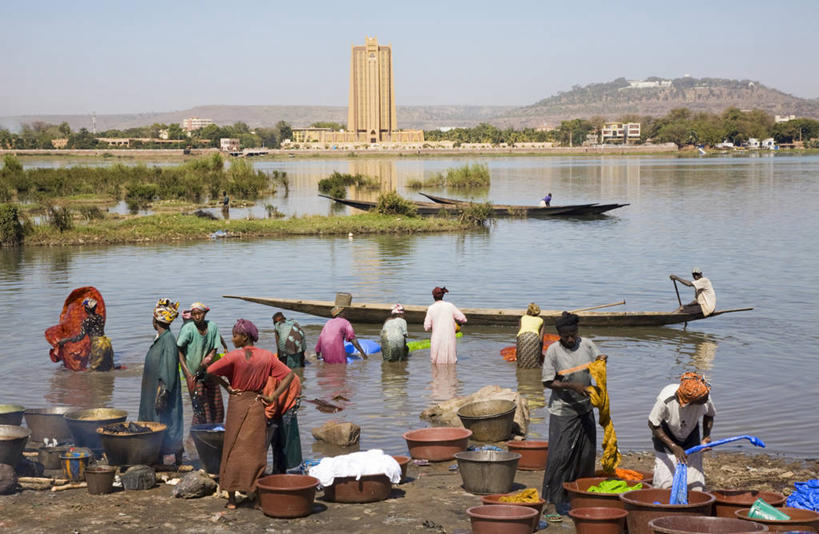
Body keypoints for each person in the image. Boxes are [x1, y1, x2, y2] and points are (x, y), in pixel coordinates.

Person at [205, 319, 295, 509]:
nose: (232, 338)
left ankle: (231, 499)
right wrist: (272, 397)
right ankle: (254, 496)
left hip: (237, 404)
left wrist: (227, 387)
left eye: (235, 335)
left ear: (244, 337)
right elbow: (289, 376)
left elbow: (210, 370)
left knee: (232, 449)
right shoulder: (267, 356)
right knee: (255, 452)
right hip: (257, 404)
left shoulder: (234, 356)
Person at [541, 311, 607, 514]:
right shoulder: (553, 351)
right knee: (560, 456)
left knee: (585, 454)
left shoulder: (586, 344)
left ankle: (579, 496)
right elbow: (547, 381)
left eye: (573, 334)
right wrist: (571, 386)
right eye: (566, 336)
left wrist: (603, 360)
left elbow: (597, 360)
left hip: (585, 408)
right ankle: (552, 499)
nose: (570, 339)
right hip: (563, 411)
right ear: (559, 334)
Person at [648, 372, 715, 491]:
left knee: (695, 483)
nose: (705, 401)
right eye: (701, 401)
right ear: (689, 402)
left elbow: (709, 415)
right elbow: (653, 424)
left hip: (690, 434)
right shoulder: (666, 399)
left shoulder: (703, 395)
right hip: (666, 435)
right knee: (664, 484)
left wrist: (706, 436)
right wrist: (673, 446)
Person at [138, 298, 184, 465]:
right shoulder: (161, 339)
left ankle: (170, 457)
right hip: (153, 391)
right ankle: (155, 455)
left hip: (161, 393)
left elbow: (169, 368)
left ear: (155, 320)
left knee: (166, 423)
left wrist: (163, 393)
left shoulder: (168, 340)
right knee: (154, 422)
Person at [177, 302, 228, 425]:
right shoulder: (188, 329)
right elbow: (179, 349)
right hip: (194, 375)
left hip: (209, 372)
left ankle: (214, 433)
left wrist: (210, 356)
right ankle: (194, 439)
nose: (197, 317)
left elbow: (216, 345)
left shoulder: (212, 327)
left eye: (199, 313)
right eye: (194, 314)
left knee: (217, 407)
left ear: (205, 313)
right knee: (201, 410)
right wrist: (188, 375)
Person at [56, 297, 114, 371]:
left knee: (92, 373)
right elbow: (95, 332)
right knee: (108, 369)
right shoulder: (100, 317)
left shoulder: (87, 321)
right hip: (107, 344)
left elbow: (80, 337)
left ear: (86, 309)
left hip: (98, 346)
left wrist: (66, 340)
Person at [423, 287, 467, 364]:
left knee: (436, 363)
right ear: (443, 295)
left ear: (433, 296)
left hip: (437, 339)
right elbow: (463, 319)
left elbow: (427, 327)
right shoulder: (450, 306)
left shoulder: (431, 308)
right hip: (449, 338)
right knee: (451, 363)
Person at [516, 302, 546, 369]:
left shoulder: (522, 318)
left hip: (522, 337)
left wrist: (518, 354)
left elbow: (518, 334)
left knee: (521, 362)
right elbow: (541, 340)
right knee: (535, 362)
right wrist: (540, 354)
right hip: (534, 337)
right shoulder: (541, 320)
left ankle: (521, 372)